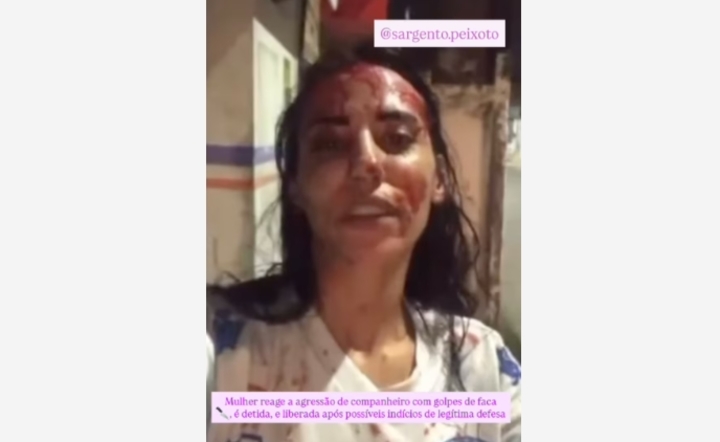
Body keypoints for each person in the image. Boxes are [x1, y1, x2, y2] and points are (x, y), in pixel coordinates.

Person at [207, 43, 521, 442]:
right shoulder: (224, 352)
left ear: (439, 179)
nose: (366, 162)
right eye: (330, 144)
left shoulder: (483, 368)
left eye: (397, 138)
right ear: (296, 186)